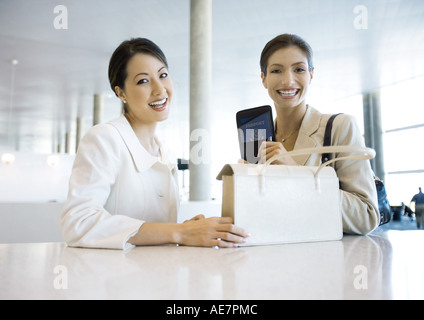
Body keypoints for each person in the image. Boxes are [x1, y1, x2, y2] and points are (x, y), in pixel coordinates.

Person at [61, 38, 249, 249]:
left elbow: (151, 229)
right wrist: (178, 232)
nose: (160, 90)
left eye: (163, 75)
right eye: (143, 81)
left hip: (158, 276)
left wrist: (183, 229)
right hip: (113, 276)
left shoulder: (164, 150)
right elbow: (78, 223)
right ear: (121, 92)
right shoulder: (105, 137)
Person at [257, 34, 379, 235]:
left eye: (299, 69)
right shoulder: (261, 139)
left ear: (311, 75)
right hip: (274, 255)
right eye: (276, 70)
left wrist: (298, 175)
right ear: (264, 79)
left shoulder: (340, 127)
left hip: (326, 261)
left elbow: (366, 216)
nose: (288, 80)